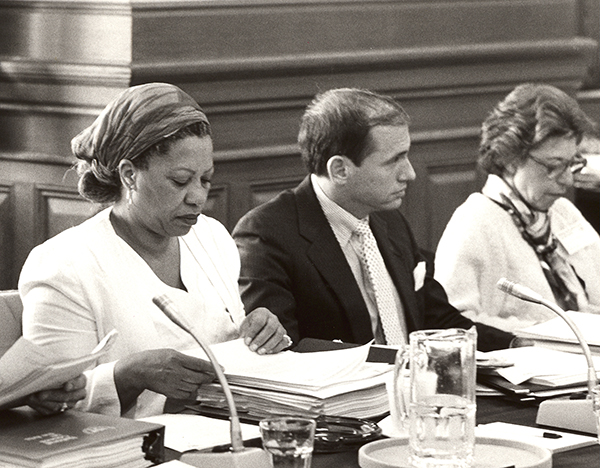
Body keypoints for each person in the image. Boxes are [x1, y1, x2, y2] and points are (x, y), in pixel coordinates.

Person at [19, 83, 288, 419]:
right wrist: (129, 374)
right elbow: (52, 402)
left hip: (224, 431)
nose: (197, 198)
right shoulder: (65, 265)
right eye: (180, 181)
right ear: (130, 175)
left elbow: (225, 343)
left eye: (205, 180)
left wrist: (259, 333)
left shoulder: (212, 237)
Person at [232, 88, 514, 352]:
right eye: (394, 161)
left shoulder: (391, 222)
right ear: (340, 169)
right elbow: (281, 351)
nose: (410, 174)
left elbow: (436, 320)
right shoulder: (266, 236)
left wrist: (518, 346)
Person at [434, 83, 600, 333]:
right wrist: (547, 333)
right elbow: (456, 323)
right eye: (553, 166)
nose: (566, 181)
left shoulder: (563, 212)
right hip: (529, 364)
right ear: (510, 158)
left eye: (571, 164)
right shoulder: (475, 221)